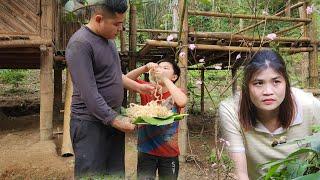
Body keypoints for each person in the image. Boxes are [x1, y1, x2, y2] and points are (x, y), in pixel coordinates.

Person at [65, 0, 154, 178]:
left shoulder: (109, 41)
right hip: (90, 124)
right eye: (117, 24)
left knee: (115, 173)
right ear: (98, 19)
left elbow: (113, 75)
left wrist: (138, 87)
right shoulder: (80, 44)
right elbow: (88, 93)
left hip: (111, 118)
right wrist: (116, 120)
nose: (120, 28)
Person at [218, 49, 320, 179]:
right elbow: (240, 174)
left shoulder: (309, 106)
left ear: (286, 84)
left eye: (276, 82)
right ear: (246, 86)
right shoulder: (231, 110)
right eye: (258, 83)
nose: (268, 91)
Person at [126, 59, 188, 180]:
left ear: (174, 77)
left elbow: (182, 101)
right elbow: (126, 79)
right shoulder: (147, 88)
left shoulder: (176, 92)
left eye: (165, 68)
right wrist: (144, 68)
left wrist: (164, 78)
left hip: (169, 152)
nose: (160, 69)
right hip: (146, 150)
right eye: (158, 67)